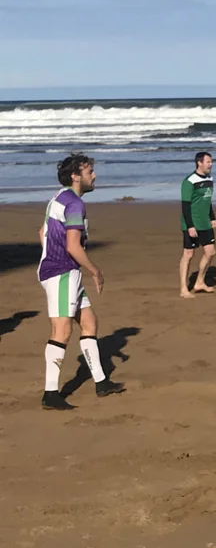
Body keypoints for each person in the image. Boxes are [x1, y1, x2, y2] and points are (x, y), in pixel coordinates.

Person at [36, 154, 125, 410]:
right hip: (62, 273)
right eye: (89, 172)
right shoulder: (74, 203)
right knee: (62, 331)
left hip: (62, 271)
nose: (94, 176)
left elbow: (42, 232)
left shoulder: (59, 197)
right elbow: (72, 246)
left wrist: (50, 254)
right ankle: (50, 393)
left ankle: (101, 382)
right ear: (75, 176)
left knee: (89, 322)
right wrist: (95, 271)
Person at [179, 151, 216, 298]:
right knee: (188, 254)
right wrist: (190, 226)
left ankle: (199, 282)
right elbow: (185, 205)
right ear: (199, 163)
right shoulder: (189, 181)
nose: (210, 164)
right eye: (208, 162)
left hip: (205, 222)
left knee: (210, 252)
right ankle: (184, 289)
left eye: (211, 162)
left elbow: (208, 200)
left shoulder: (210, 178)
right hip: (192, 223)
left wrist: (212, 217)